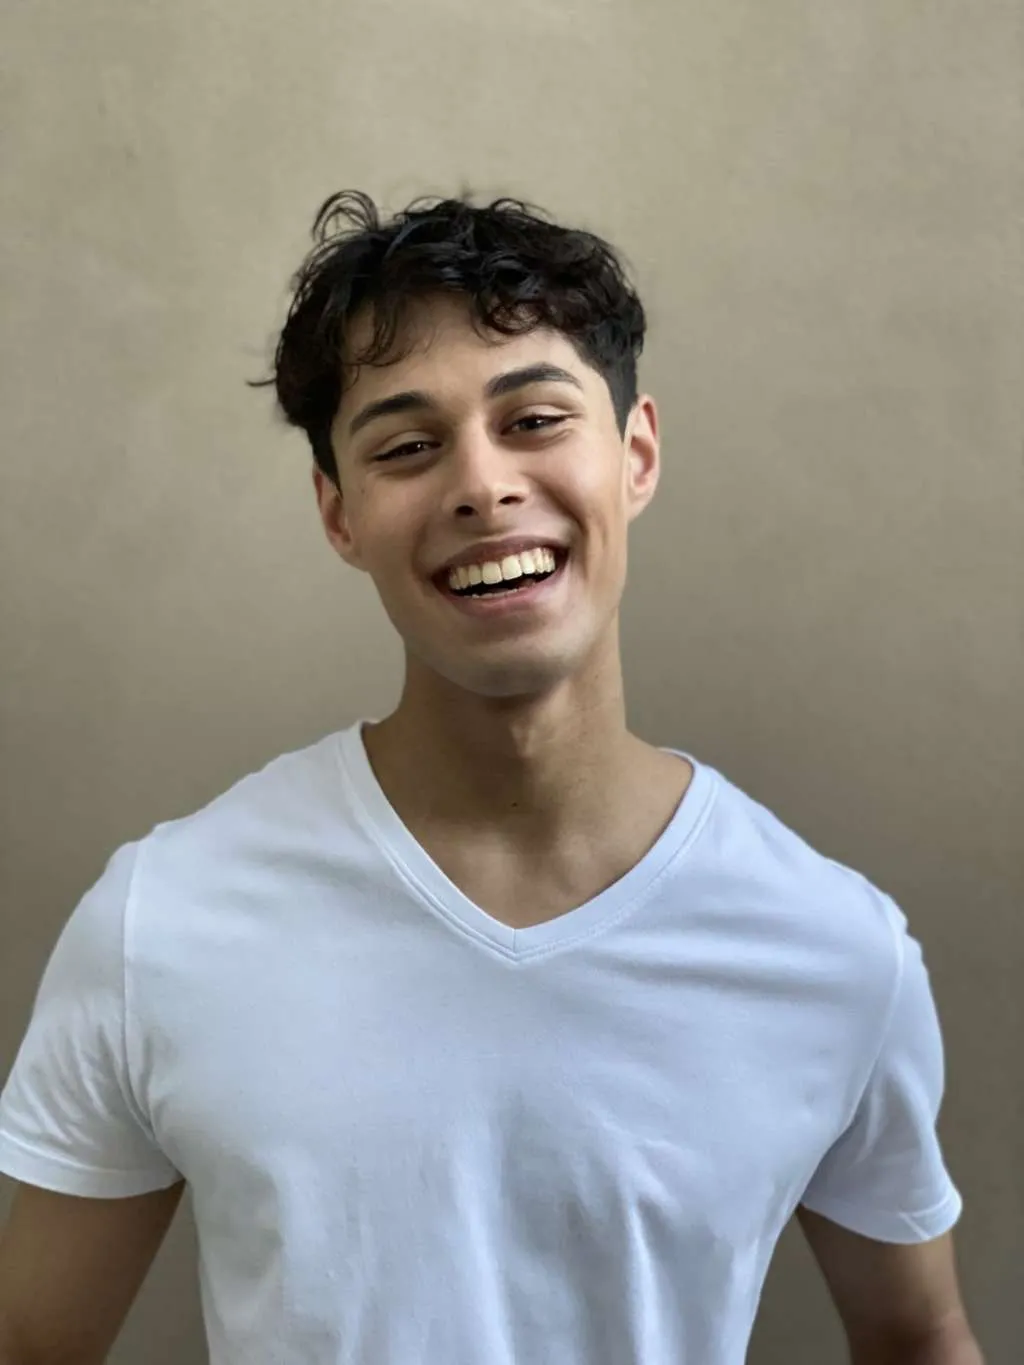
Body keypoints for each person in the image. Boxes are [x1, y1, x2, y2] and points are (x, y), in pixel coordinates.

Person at [0, 191, 982, 1365]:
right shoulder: (160, 920)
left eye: (533, 419)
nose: (481, 484)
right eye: (407, 446)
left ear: (636, 455)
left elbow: (918, 1336)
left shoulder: (834, 948)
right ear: (339, 514)